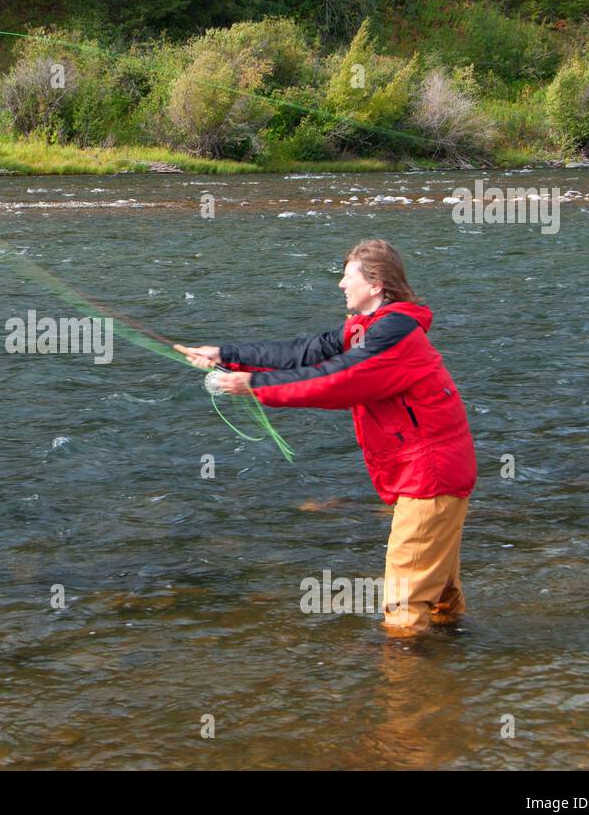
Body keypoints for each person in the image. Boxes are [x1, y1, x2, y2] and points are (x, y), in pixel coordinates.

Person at [176, 239, 477, 636]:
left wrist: (253, 384)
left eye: (347, 275)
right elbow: (304, 353)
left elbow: (337, 379)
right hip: (431, 472)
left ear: (376, 284)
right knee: (440, 594)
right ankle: (458, 668)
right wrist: (225, 354)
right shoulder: (368, 328)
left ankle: (409, 685)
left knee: (404, 604)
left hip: (429, 477)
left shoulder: (392, 337)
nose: (340, 284)